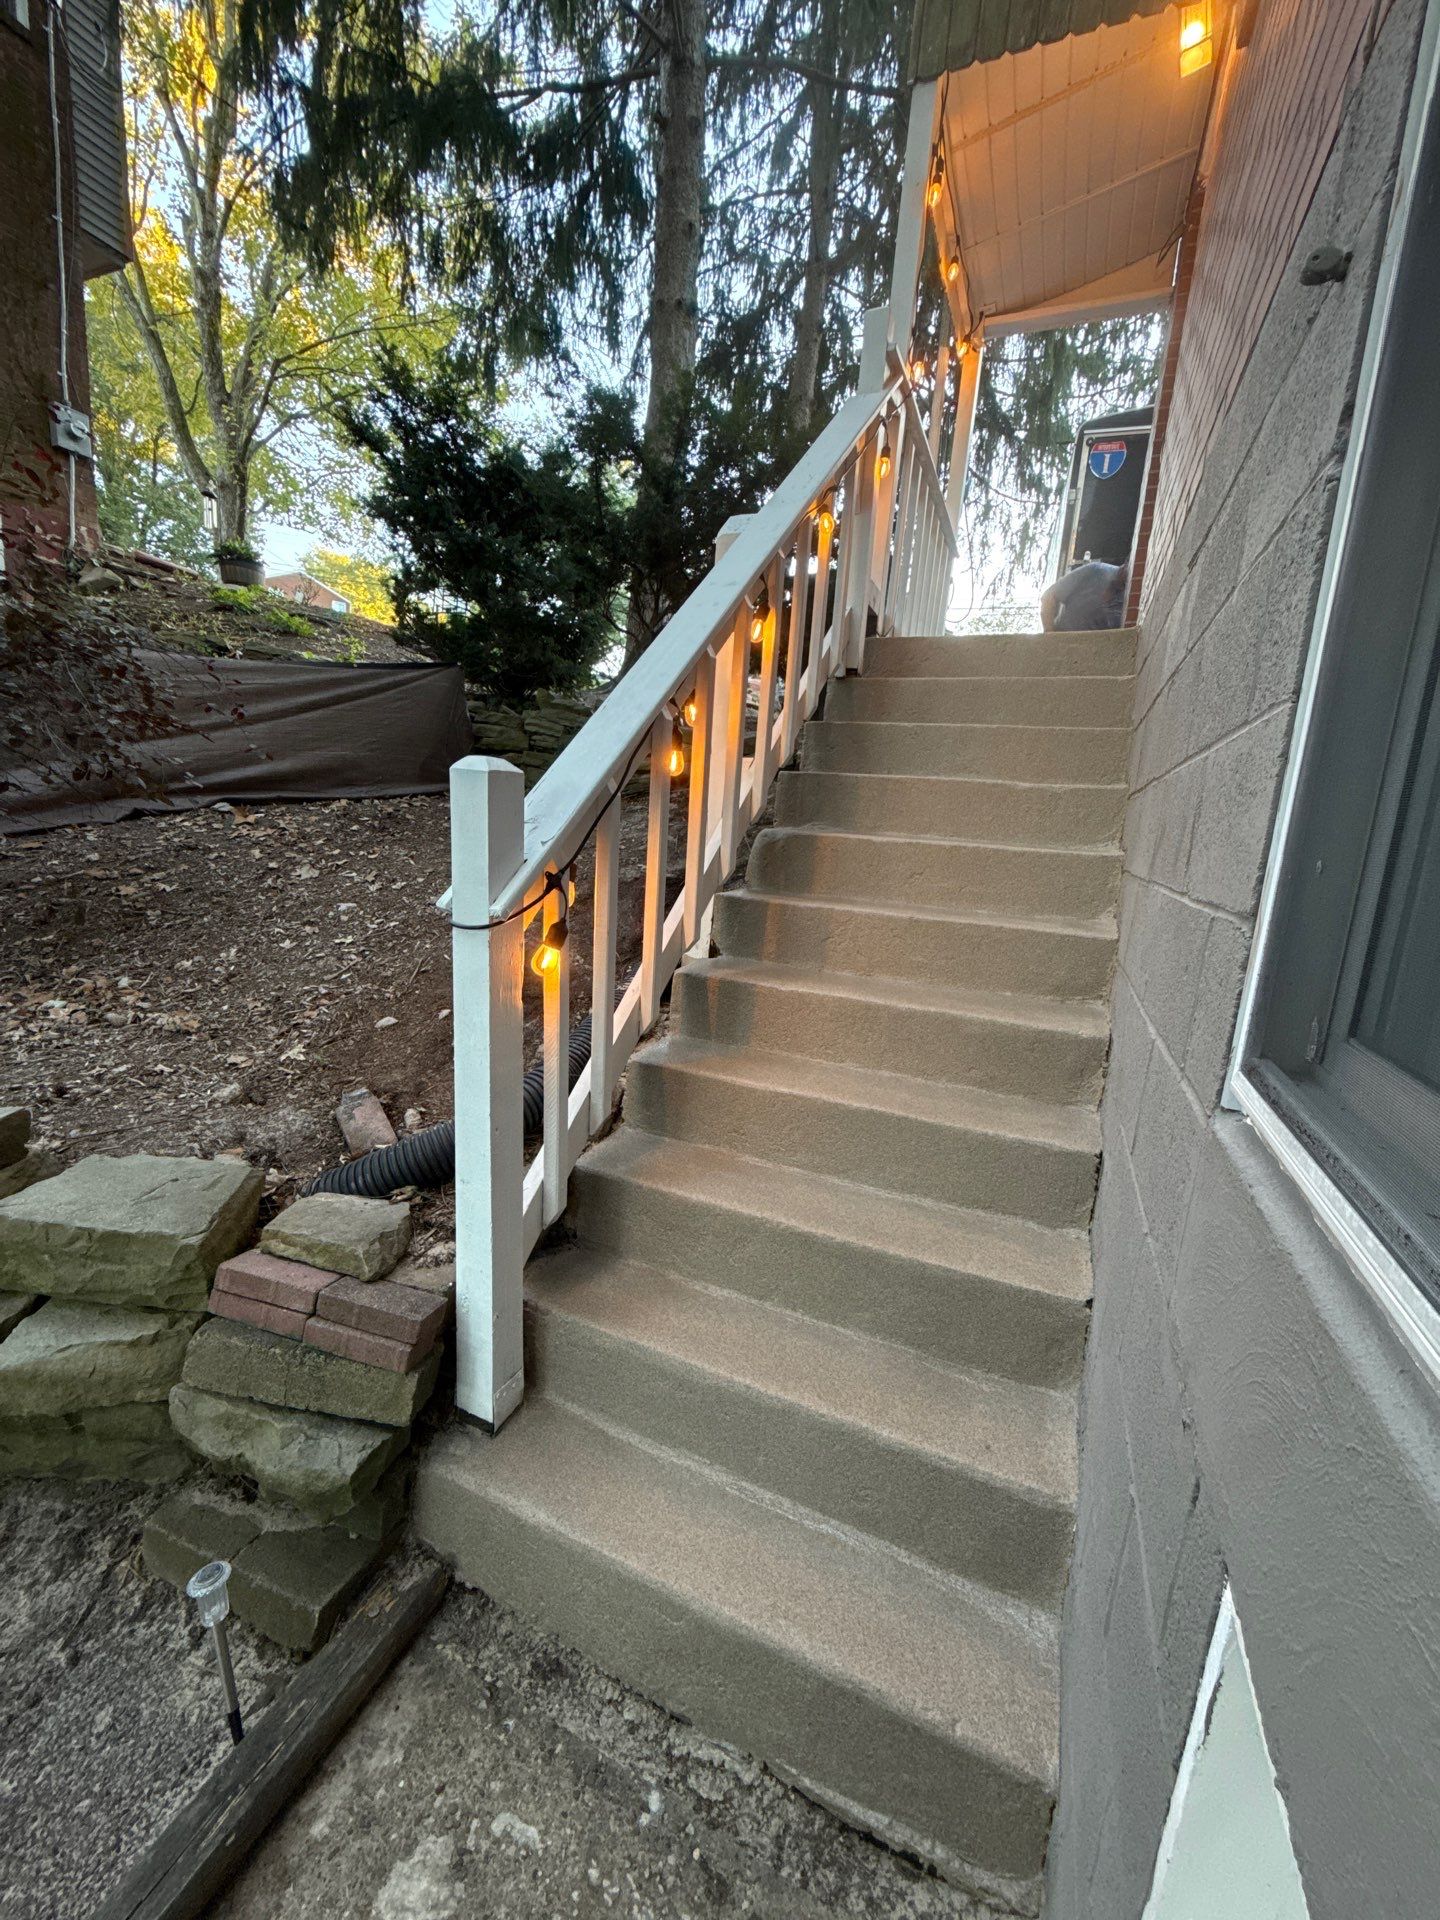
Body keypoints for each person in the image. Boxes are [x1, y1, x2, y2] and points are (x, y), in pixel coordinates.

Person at [1040, 558, 1128, 631]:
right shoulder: (1096, 570)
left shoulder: (1127, 607)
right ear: (1128, 561)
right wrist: (1050, 635)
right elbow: (1049, 596)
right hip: (1057, 639)